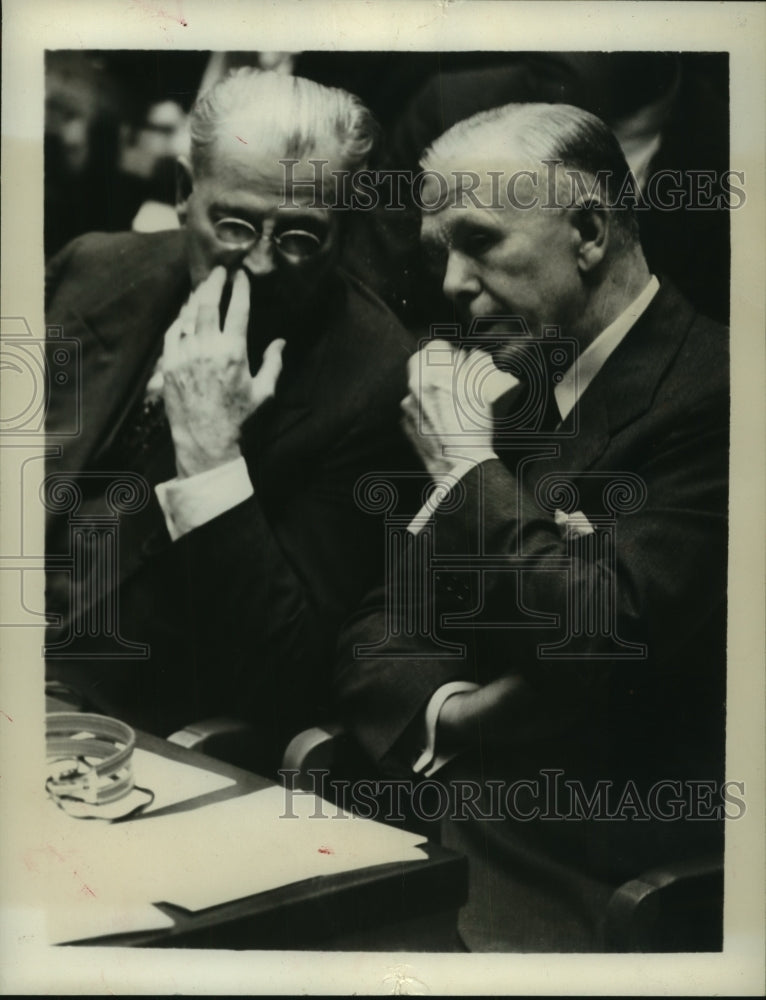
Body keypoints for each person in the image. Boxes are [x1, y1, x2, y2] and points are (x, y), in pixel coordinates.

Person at [334, 103, 729, 950]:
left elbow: (603, 632)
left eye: (479, 242)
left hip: (595, 870)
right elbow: (375, 628)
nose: (449, 285)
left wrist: (471, 472)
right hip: (437, 818)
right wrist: (459, 714)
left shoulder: (724, 395)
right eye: (441, 252)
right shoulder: (512, 393)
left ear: (588, 231)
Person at [45, 69, 419, 773]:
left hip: (123, 732)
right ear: (185, 192)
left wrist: (211, 456)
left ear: (348, 224)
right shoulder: (92, 270)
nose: (263, 263)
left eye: (303, 236)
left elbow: (286, 678)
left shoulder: (374, 384)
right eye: (235, 224)